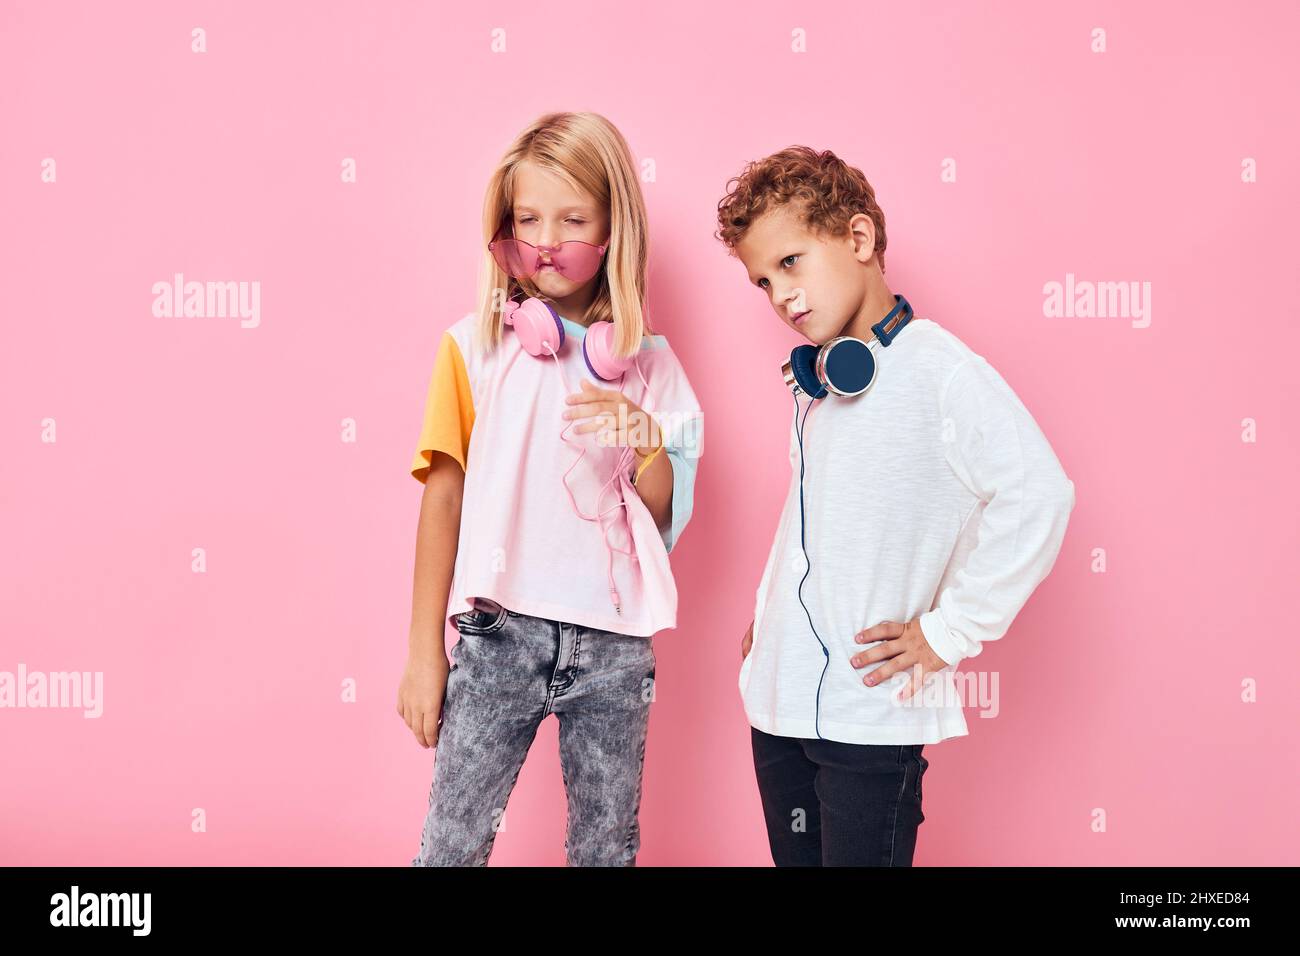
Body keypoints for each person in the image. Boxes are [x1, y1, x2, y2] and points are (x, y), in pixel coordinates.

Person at [715, 146, 1075, 866]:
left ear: (858, 239)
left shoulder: (941, 372)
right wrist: (773, 608)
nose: (781, 295)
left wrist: (950, 632)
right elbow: (821, 517)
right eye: (762, 281)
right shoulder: (817, 385)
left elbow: (1040, 495)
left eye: (791, 262)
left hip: (870, 714)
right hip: (778, 703)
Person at [400, 112, 703, 866]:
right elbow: (442, 498)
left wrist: (647, 440)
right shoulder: (472, 347)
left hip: (614, 647)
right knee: (451, 842)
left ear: (613, 231)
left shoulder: (651, 366)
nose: (544, 239)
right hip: (500, 634)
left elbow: (663, 520)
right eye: (527, 219)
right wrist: (422, 652)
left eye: (571, 219)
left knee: (606, 847)